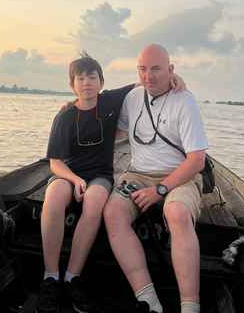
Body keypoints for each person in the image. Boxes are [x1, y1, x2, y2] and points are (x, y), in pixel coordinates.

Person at [35, 51, 185, 313]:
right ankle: (50, 277)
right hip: (69, 173)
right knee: (54, 197)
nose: (87, 83)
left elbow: (146, 83)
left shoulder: (111, 100)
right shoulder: (65, 116)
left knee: (95, 200)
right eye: (80, 79)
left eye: (92, 77)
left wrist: (173, 77)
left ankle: (72, 277)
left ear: (102, 82)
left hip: (100, 174)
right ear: (72, 86)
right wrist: (74, 179)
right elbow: (55, 162)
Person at [103, 44, 208, 313]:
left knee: (177, 213)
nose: (149, 76)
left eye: (157, 69)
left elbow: (197, 160)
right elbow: (116, 132)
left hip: (180, 175)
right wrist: (77, 109)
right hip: (138, 173)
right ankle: (149, 302)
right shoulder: (133, 98)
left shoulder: (185, 100)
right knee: (113, 211)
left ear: (171, 70)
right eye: (143, 69)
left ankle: (190, 307)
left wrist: (160, 190)